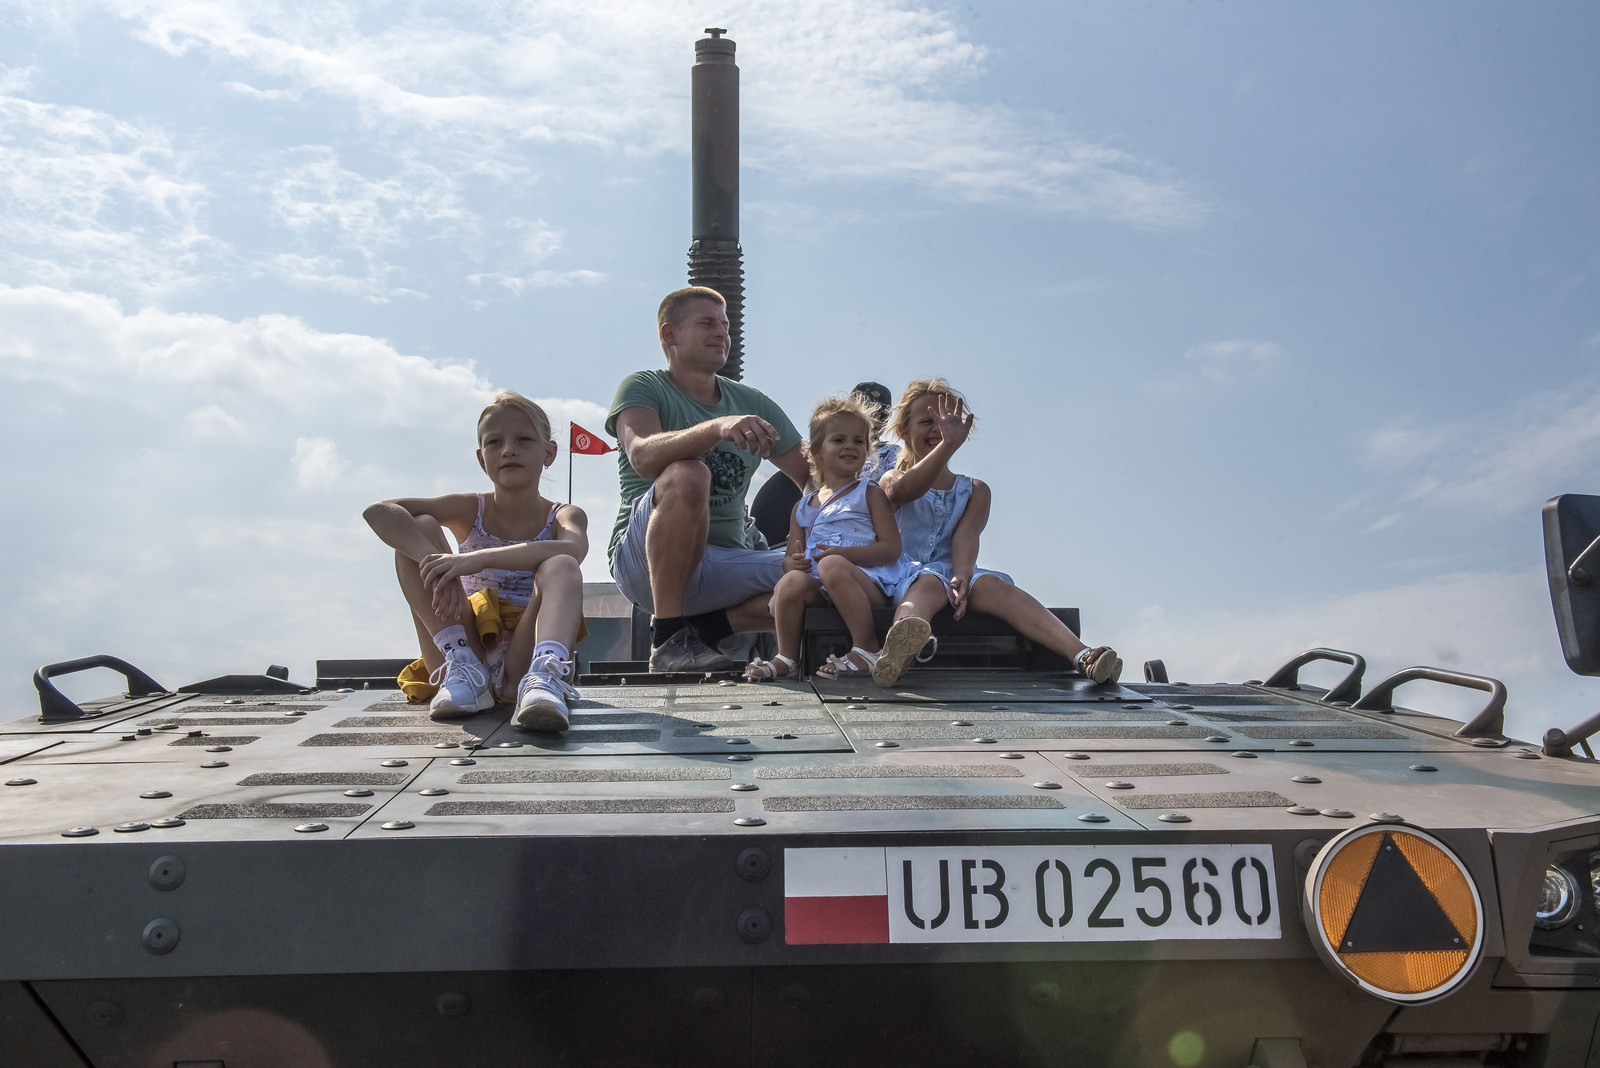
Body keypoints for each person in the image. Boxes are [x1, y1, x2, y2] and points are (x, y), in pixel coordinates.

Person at [606, 287, 809, 672]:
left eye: (726, 326)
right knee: (688, 473)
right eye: (707, 323)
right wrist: (716, 427)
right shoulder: (643, 386)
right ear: (670, 334)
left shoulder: (753, 402)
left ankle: (707, 629)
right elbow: (642, 455)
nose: (722, 333)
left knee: (826, 574)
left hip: (727, 562)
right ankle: (668, 638)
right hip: (645, 565)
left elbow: (816, 480)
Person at [873, 378, 1122, 688]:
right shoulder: (891, 478)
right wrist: (948, 445)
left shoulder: (976, 490)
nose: (938, 429)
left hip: (957, 570)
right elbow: (906, 491)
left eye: (945, 423)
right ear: (902, 431)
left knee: (992, 585)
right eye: (927, 422)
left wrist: (962, 576)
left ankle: (1083, 656)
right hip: (909, 574)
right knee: (928, 584)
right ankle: (899, 650)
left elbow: (966, 536)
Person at [363, 390, 587, 731]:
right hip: (467, 642)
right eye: (495, 442)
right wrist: (436, 564)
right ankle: (463, 669)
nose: (508, 450)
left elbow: (573, 550)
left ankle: (544, 679)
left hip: (525, 652)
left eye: (524, 439)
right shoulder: (471, 508)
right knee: (418, 529)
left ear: (549, 452)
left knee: (561, 564)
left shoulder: (563, 515)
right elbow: (378, 511)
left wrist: (475, 560)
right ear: (482, 459)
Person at [745, 393, 912, 681]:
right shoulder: (802, 506)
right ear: (816, 451)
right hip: (821, 584)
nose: (850, 446)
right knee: (791, 581)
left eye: (859, 441)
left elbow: (891, 548)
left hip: (867, 582)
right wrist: (793, 563)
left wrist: (843, 555)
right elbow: (789, 558)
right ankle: (787, 656)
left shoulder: (870, 493)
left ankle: (867, 647)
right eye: (839, 439)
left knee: (832, 565)